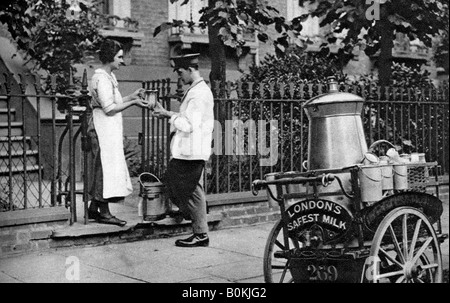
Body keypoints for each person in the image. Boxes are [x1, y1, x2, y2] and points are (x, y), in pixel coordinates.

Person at [87, 39, 151, 226]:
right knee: (105, 169)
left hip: (109, 128)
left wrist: (131, 96)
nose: (122, 61)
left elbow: (114, 102)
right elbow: (108, 108)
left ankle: (93, 208)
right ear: (109, 57)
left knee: (107, 167)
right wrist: (133, 103)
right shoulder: (100, 78)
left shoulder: (109, 77)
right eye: (119, 57)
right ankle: (104, 212)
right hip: (102, 127)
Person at [152, 53, 214, 247]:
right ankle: (198, 226)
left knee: (189, 189)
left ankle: (200, 231)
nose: (180, 77)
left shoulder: (198, 93)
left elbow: (188, 125)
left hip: (192, 150)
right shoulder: (196, 90)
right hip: (191, 150)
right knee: (190, 188)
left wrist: (168, 116)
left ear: (190, 69)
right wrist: (168, 113)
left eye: (181, 72)